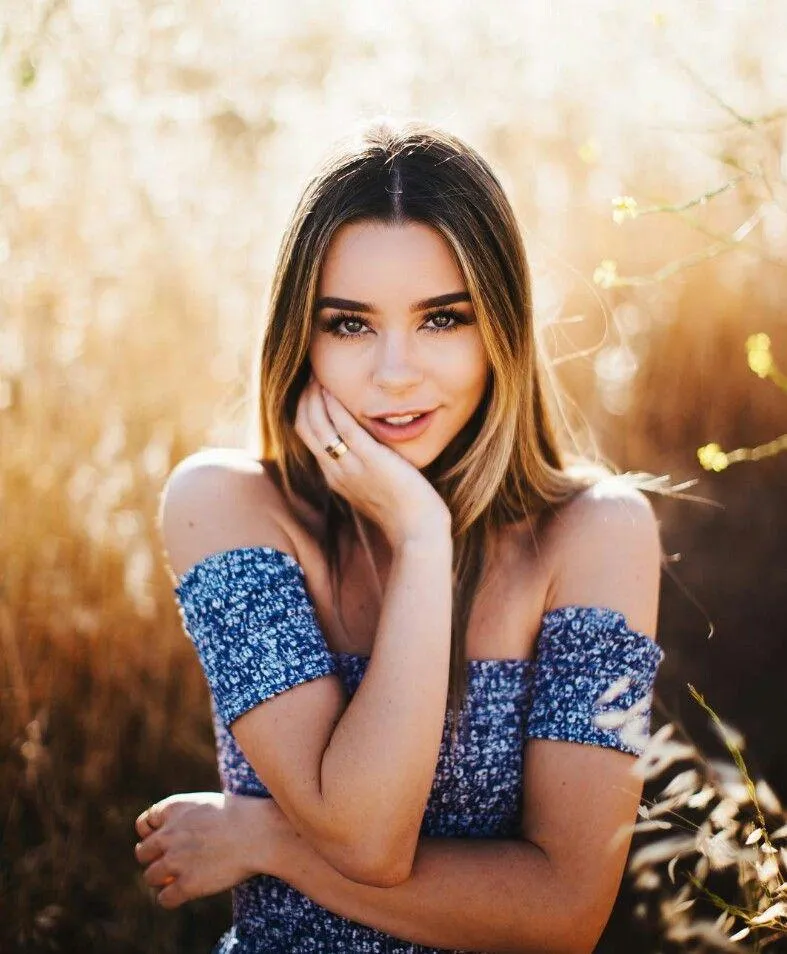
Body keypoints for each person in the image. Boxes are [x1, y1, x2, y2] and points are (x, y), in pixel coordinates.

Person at [133, 117, 665, 953]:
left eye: (441, 319)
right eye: (348, 323)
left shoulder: (596, 534)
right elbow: (362, 835)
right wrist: (423, 541)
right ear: (297, 337)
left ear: (501, 331)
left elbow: (562, 914)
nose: (393, 372)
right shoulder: (226, 506)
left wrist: (267, 838)